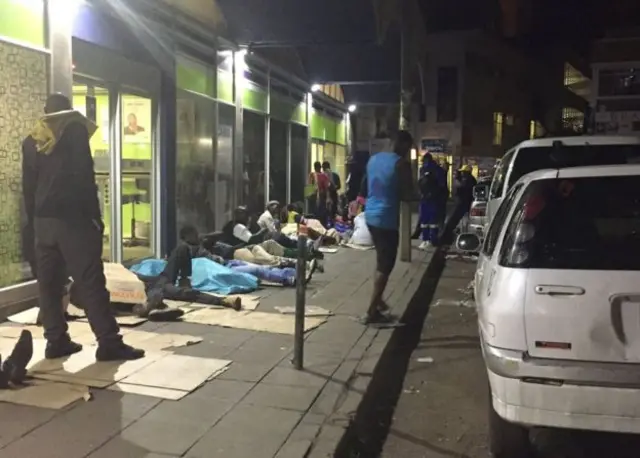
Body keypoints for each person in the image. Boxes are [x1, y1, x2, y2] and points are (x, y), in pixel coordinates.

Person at [22, 93, 144, 361]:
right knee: (90, 281)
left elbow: (28, 189)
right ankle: (108, 342)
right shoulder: (74, 132)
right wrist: (95, 219)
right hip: (73, 221)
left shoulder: (31, 140)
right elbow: (84, 179)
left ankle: (55, 341)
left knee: (49, 285)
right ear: (68, 112)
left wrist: (33, 225)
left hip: (43, 223)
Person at [359, 131, 416, 325]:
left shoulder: (373, 160)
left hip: (371, 216)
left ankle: (378, 301)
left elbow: (367, 186)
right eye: (408, 148)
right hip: (387, 220)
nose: (407, 153)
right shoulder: (401, 164)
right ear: (402, 145)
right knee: (386, 265)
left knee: (380, 261)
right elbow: (408, 194)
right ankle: (370, 312)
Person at [418, 153, 447, 249]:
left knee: (427, 220)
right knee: (431, 221)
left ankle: (427, 240)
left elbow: (420, 183)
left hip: (427, 198)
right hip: (432, 199)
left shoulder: (424, 169)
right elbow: (442, 185)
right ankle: (431, 240)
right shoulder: (438, 170)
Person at [445, 165, 477, 234]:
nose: (461, 173)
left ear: (466, 172)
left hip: (463, 203)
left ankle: (448, 233)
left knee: (454, 219)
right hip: (464, 203)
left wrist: (457, 181)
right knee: (461, 219)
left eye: (463, 172)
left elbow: (462, 189)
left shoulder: (468, 180)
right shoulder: (470, 179)